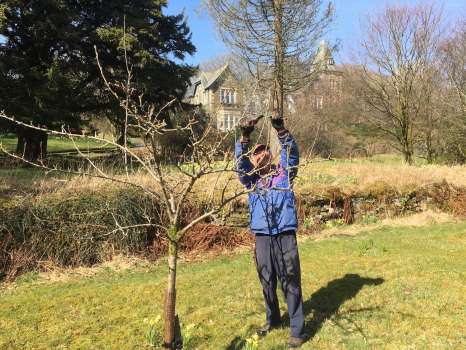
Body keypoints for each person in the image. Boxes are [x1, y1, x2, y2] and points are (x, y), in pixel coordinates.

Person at [235, 114, 306, 348]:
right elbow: (239, 163)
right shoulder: (250, 181)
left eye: (265, 150)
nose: (261, 153)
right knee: (267, 280)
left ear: (271, 154)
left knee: (290, 281)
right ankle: (273, 319)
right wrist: (244, 136)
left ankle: (297, 331)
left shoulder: (284, 175)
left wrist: (281, 130)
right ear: (253, 159)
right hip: (263, 236)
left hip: (285, 234)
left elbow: (292, 153)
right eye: (256, 152)